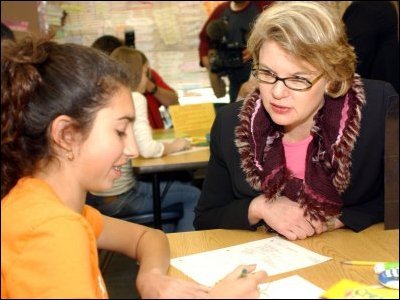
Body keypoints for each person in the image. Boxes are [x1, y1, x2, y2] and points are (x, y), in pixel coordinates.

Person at [1, 36, 267, 298]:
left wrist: (150, 276)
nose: (133, 150)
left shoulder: (60, 209)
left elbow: (147, 238)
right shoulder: (52, 230)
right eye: (119, 131)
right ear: (66, 135)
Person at [194, 2, 399, 241]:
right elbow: (205, 217)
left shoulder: (378, 109)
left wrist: (340, 219)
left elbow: (393, 199)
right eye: (268, 73)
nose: (277, 92)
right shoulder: (231, 124)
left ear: (333, 77)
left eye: (298, 78)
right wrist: (259, 207)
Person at [86, 46, 198, 233]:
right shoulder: (135, 97)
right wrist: (175, 146)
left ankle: (163, 247)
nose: (147, 80)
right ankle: (185, 254)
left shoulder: (103, 97)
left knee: (174, 194)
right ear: (139, 72)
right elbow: (146, 149)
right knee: (193, 194)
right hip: (122, 198)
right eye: (147, 73)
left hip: (97, 197)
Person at [198, 1, 273, 102]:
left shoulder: (264, 6)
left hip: (261, 79)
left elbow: (280, 33)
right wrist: (207, 60)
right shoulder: (221, 10)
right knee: (235, 112)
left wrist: (257, 48)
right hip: (234, 79)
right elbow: (204, 37)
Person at [342, 1, 399, 93]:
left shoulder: (368, 7)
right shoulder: (382, 5)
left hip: (370, 93)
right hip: (384, 88)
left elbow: (354, 57)